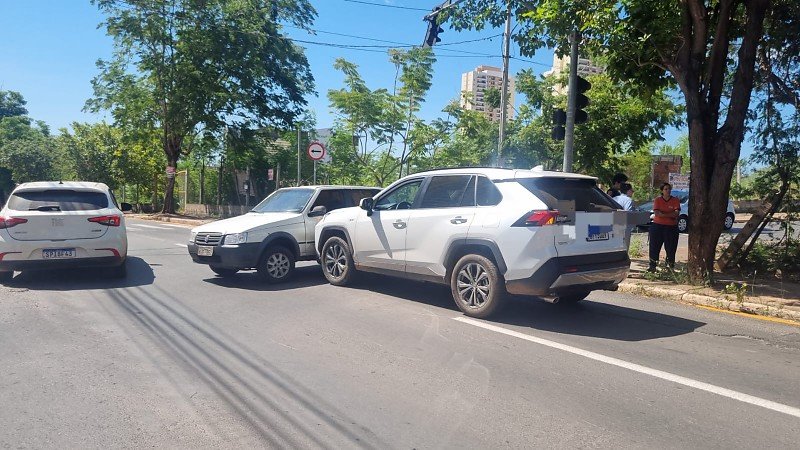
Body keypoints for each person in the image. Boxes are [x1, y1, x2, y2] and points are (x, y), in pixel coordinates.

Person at [648, 182, 680, 271]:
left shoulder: (675, 200)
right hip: (657, 226)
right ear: (662, 191)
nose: (668, 191)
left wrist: (664, 214)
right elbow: (657, 213)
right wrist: (670, 214)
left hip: (671, 227)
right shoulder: (658, 200)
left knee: (671, 248)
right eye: (666, 189)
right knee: (654, 247)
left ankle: (670, 266)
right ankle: (652, 266)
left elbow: (676, 213)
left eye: (669, 189)